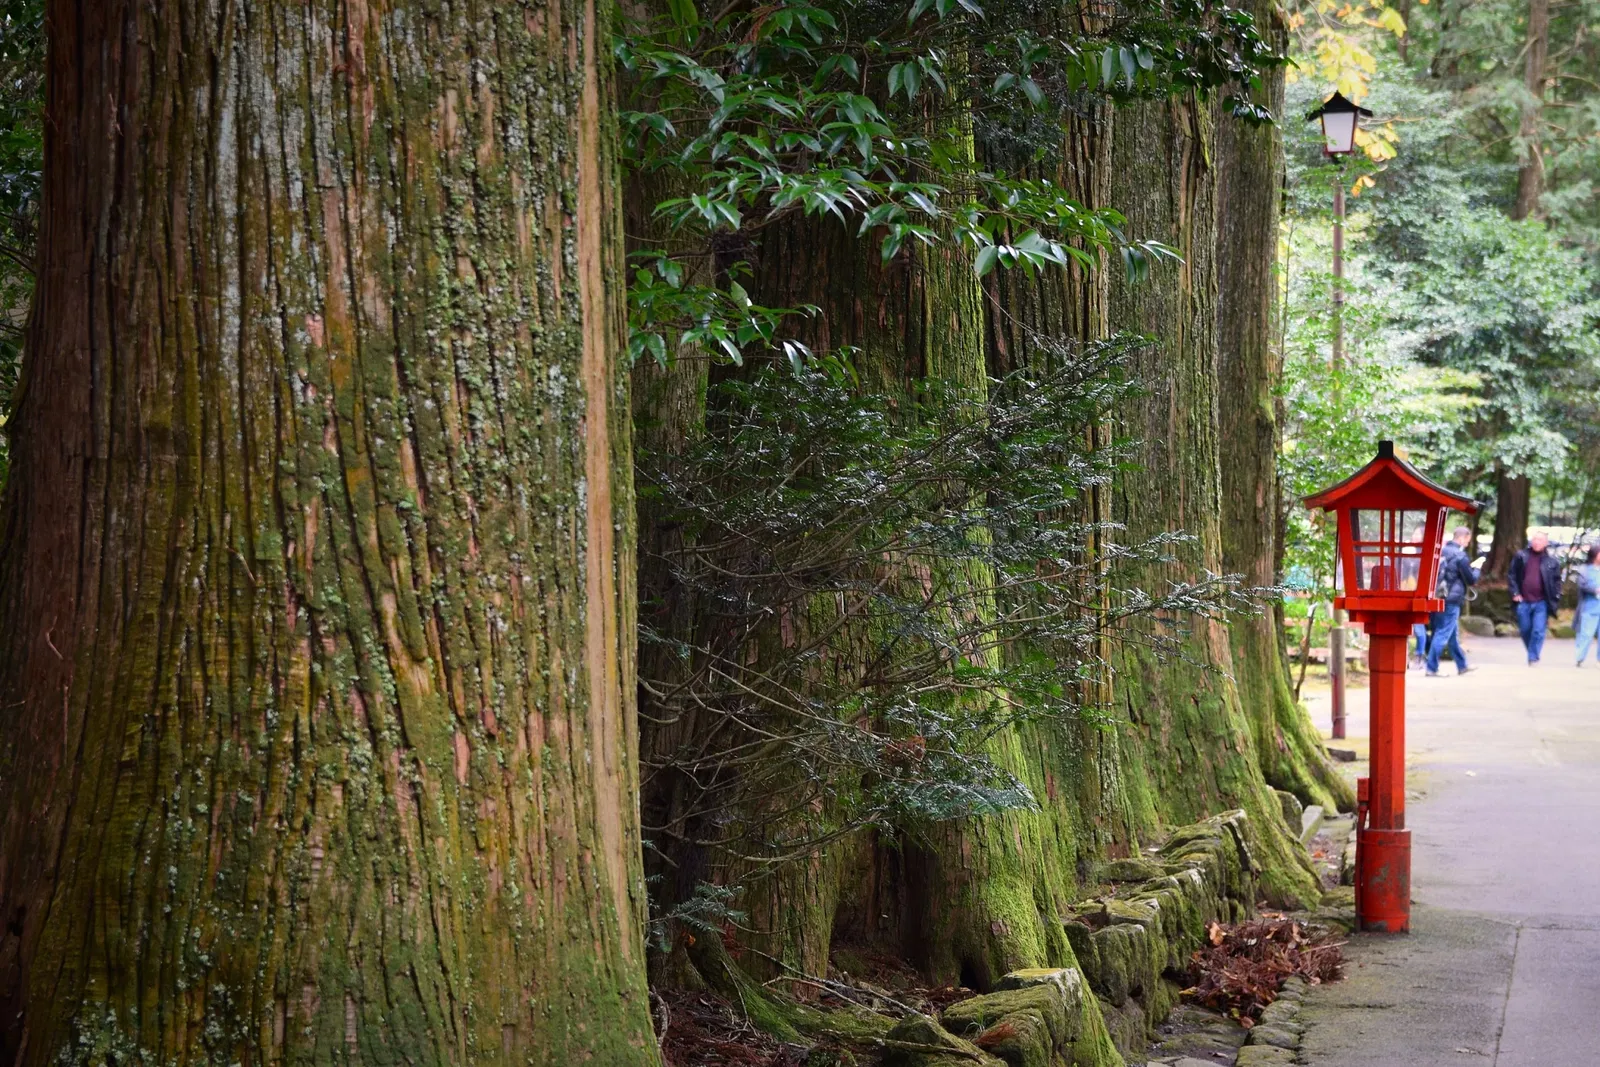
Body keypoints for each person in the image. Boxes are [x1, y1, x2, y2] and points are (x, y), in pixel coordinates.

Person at [1426, 526, 1479, 676]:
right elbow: (1471, 579)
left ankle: (1462, 665)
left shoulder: (1440, 552)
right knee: (1442, 633)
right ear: (1462, 538)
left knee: (1451, 634)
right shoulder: (1460, 556)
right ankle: (1431, 668)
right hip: (1452, 599)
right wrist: (1477, 568)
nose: (1467, 544)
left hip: (1438, 596)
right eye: (1467, 540)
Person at [1509, 530, 1563, 666]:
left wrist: (1556, 597)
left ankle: (1533, 657)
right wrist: (1515, 593)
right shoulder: (1521, 556)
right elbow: (1512, 575)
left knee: (1538, 630)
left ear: (1545, 543)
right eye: (1535, 539)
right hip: (1523, 600)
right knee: (1525, 629)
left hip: (1542, 602)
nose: (1537, 542)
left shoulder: (1552, 562)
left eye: (1540, 540)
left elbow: (1557, 581)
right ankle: (1532, 652)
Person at [1577, 545, 1600, 667]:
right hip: (1590, 606)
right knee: (1586, 633)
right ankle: (1580, 657)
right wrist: (1595, 590)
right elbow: (1582, 585)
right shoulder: (1585, 570)